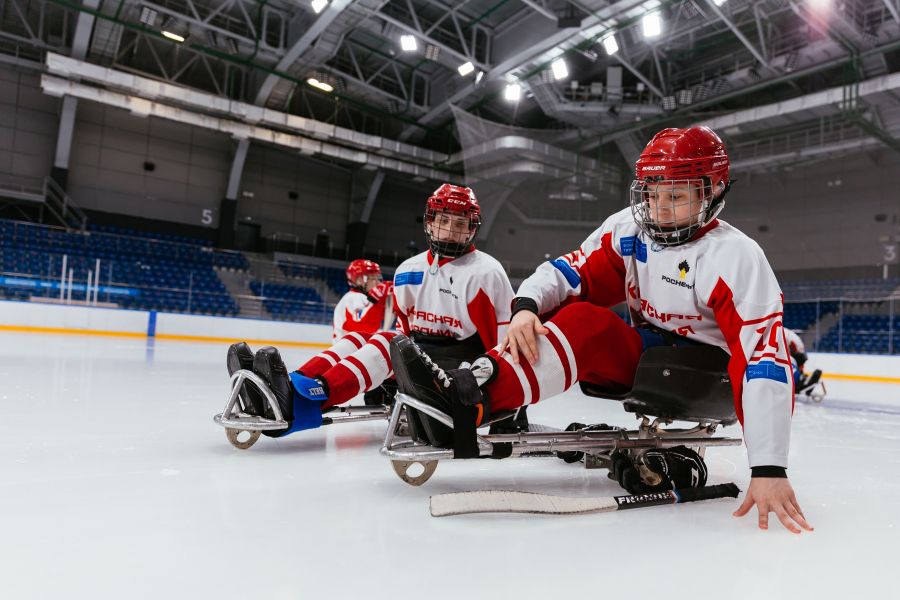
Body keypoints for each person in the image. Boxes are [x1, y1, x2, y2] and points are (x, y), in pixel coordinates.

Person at [391, 126, 813, 534]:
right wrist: (526, 306)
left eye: (676, 196)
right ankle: (465, 399)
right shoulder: (629, 231)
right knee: (580, 320)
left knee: (589, 325)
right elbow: (569, 270)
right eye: (653, 194)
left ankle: (463, 401)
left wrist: (769, 467)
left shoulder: (736, 256)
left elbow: (763, 359)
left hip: (710, 375)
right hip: (653, 357)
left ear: (713, 191)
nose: (660, 208)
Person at [227, 183, 516, 437]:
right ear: (430, 221)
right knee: (357, 338)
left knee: (388, 342)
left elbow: (505, 345)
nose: (451, 231)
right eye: (444, 220)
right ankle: (285, 385)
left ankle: (301, 400)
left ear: (472, 227)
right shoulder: (408, 270)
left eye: (460, 223)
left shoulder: (486, 273)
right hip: (423, 359)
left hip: (459, 370)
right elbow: (406, 331)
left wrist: (510, 407)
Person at [332, 259, 394, 340]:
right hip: (347, 347)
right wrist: (375, 300)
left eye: (378, 278)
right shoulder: (353, 297)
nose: (377, 282)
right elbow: (363, 328)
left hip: (351, 346)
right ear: (359, 281)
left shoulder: (362, 297)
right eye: (372, 278)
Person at [783, 327, 822, 394]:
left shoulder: (781, 333)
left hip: (796, 350)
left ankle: (799, 382)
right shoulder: (784, 331)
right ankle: (800, 380)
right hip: (797, 349)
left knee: (791, 366)